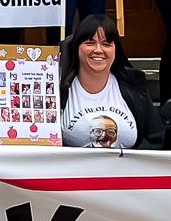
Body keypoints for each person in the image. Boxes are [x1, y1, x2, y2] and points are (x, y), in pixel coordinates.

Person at [59, 14, 163, 150]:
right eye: (90, 43)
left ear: (116, 49)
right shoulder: (58, 87)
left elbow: (155, 138)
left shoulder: (134, 86)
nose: (98, 50)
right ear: (77, 47)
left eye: (106, 44)